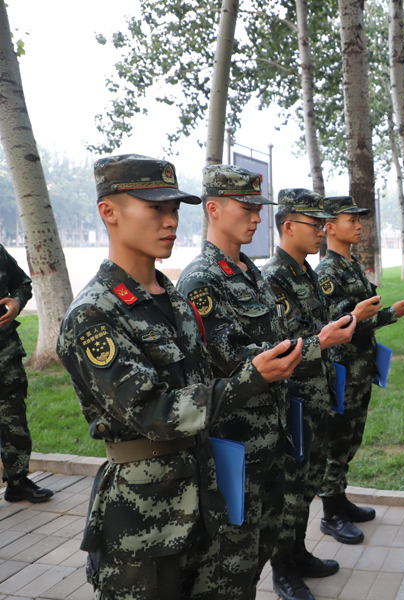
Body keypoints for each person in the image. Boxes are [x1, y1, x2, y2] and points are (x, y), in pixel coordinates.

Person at [56, 154, 303, 599]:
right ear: (108, 211)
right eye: (155, 208)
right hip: (147, 517)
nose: (170, 221)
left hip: (208, 496)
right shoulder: (94, 315)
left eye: (174, 209)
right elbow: (155, 411)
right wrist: (252, 378)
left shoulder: (171, 299)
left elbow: (199, 381)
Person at [177, 164, 306, 600]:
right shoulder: (202, 279)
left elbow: (277, 342)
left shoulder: (250, 271)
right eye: (246, 207)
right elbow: (233, 357)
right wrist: (312, 346)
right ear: (213, 209)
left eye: (258, 208)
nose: (256, 217)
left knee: (259, 551)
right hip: (236, 449)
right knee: (228, 566)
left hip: (271, 439)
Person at [262, 189, 363, 599]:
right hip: (294, 399)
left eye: (324, 224)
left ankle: (300, 552)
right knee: (289, 489)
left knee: (306, 485)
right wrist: (323, 338)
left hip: (317, 393)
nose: (322, 231)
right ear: (288, 226)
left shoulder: (305, 272)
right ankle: (282, 569)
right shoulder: (275, 277)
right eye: (314, 224)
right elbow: (282, 342)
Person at [316, 196, 404, 544]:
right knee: (336, 441)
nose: (358, 225)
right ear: (329, 227)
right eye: (350, 220)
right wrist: (388, 316)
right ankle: (329, 514)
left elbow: (361, 316)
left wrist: (387, 314)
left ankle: (340, 499)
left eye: (359, 220)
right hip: (342, 373)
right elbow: (343, 325)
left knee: (351, 439)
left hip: (359, 370)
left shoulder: (351, 265)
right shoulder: (327, 273)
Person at [1, 244, 53, 503]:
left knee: (13, 421)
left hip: (4, 355)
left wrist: (16, 302)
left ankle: (17, 482)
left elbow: (22, 283)